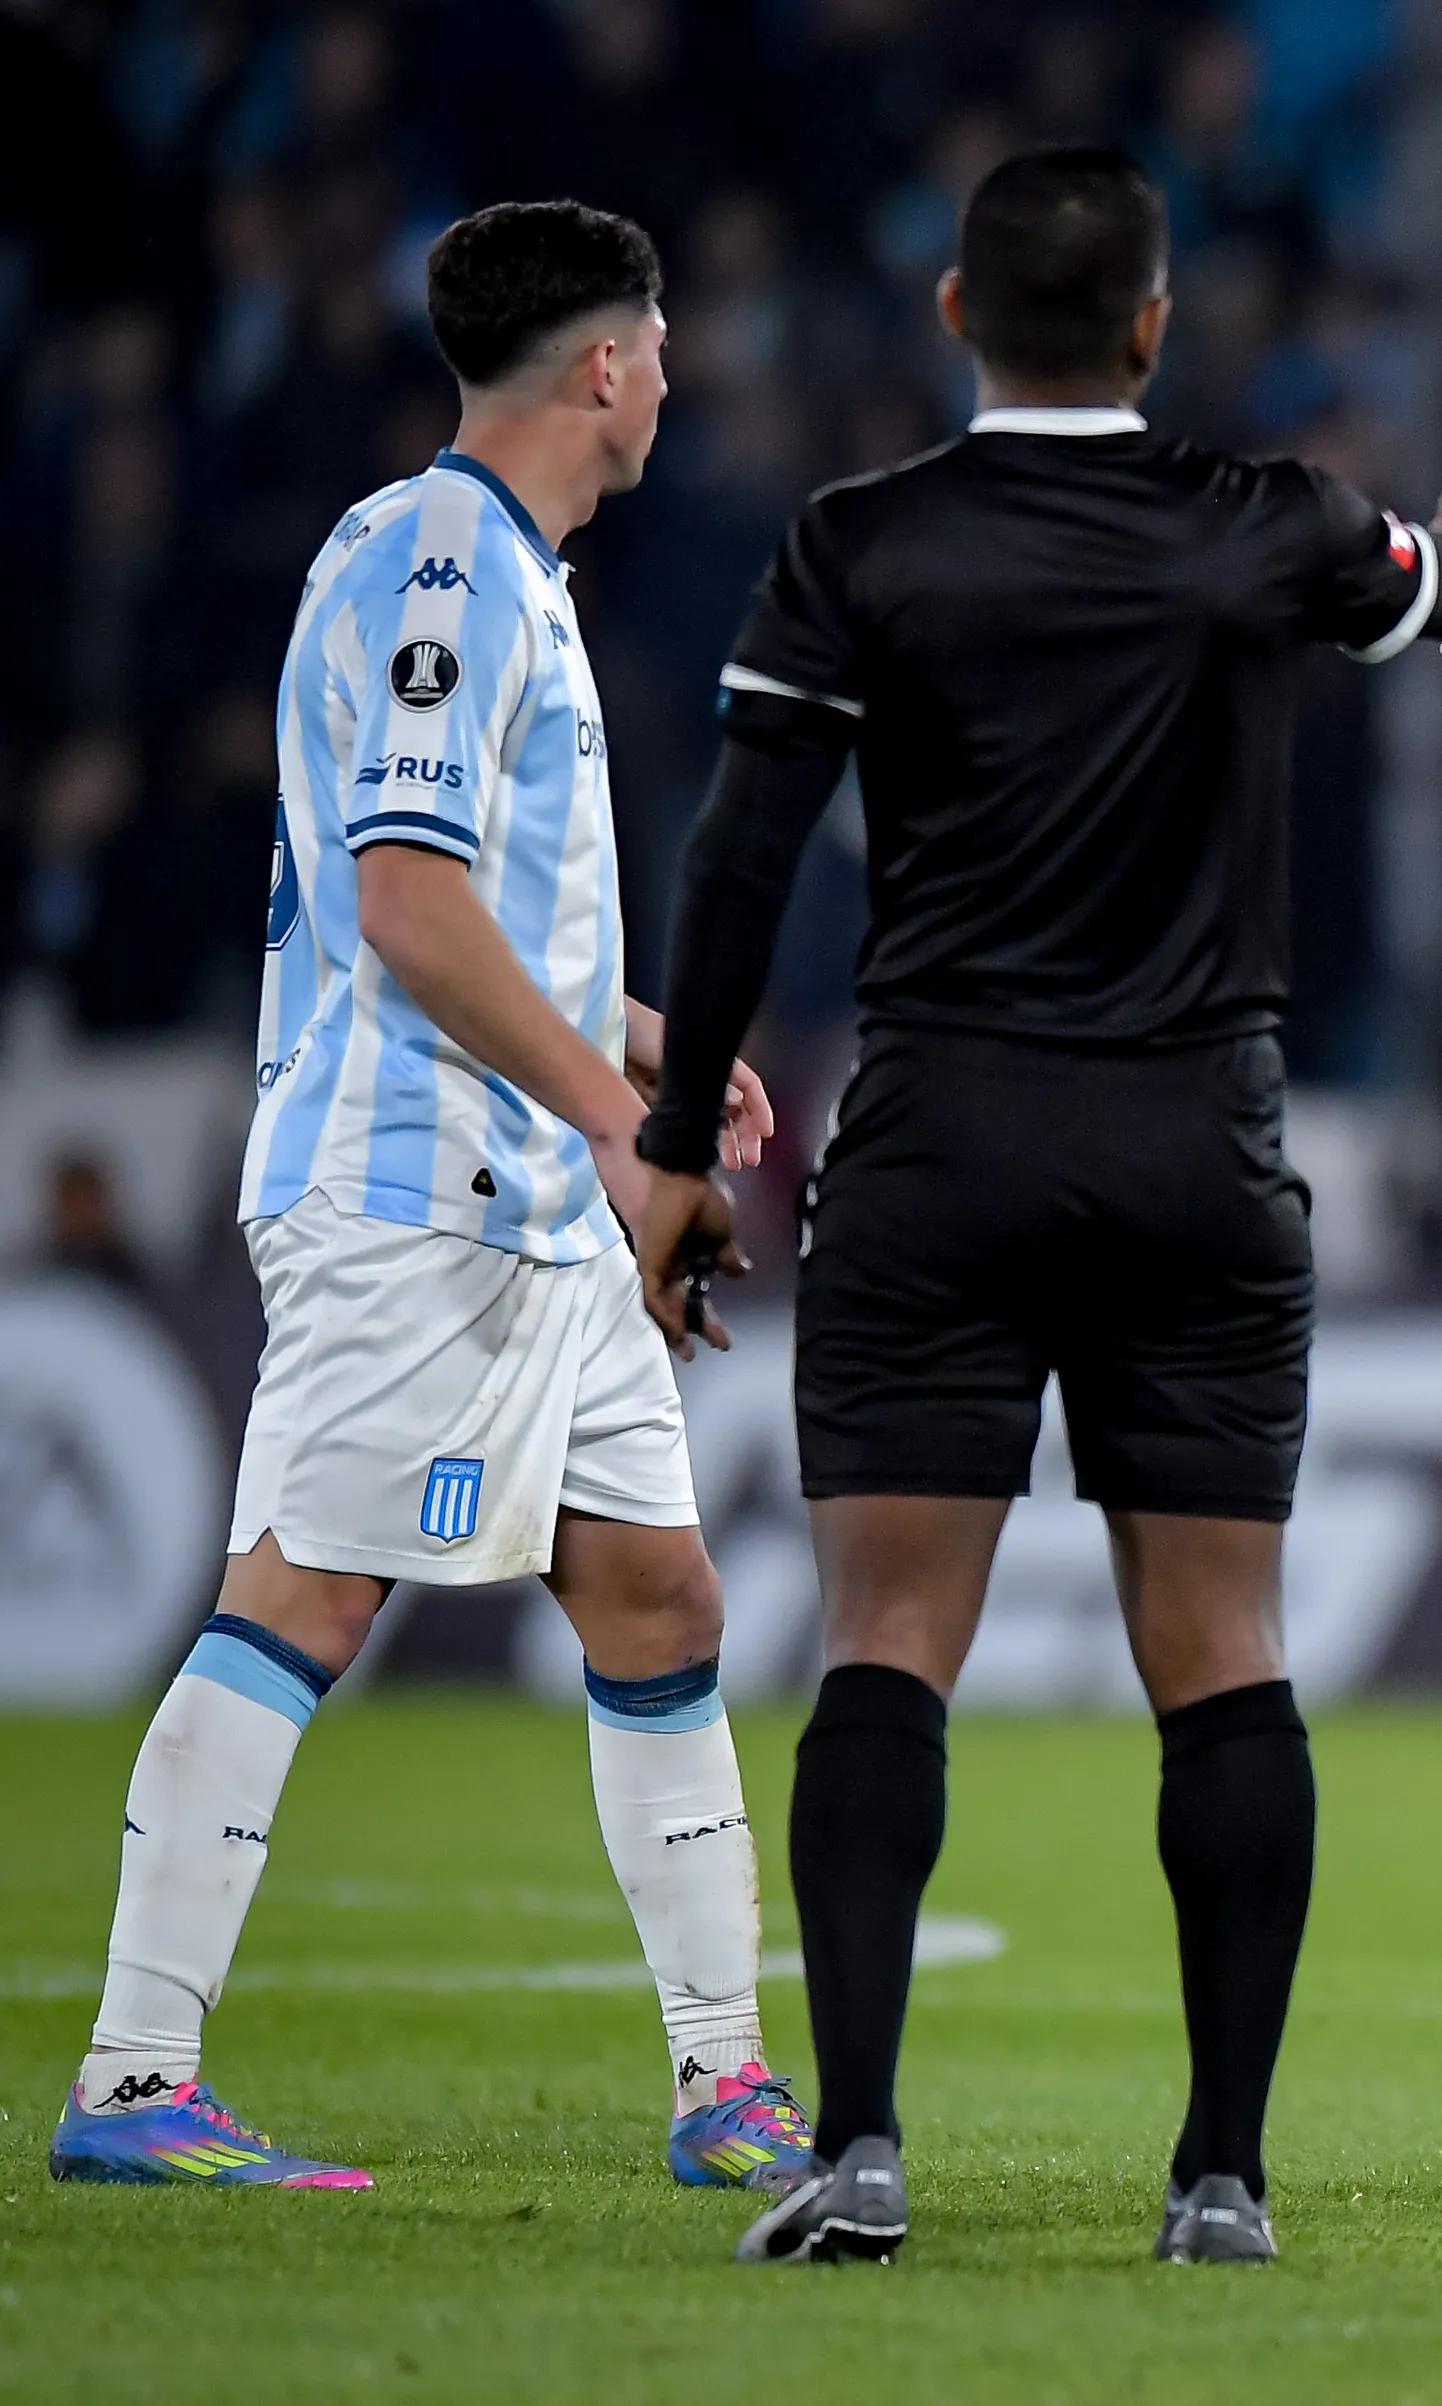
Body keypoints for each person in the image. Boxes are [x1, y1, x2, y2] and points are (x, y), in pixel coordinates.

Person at [627, 146, 1442, 2268]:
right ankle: (1219, 2177)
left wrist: (680, 1146)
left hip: (940, 1141)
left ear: (955, 314)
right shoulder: (1274, 528)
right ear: (1153, 327)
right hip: (1196, 1153)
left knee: (884, 1641)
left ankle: (853, 2146)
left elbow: (740, 860)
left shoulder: (859, 544)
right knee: (1224, 1652)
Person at [50, 201, 805, 2197]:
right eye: (656, 344)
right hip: (421, 1186)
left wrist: (632, 1039)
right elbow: (402, 905)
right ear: (606, 368)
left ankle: (727, 2088)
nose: (670, 376)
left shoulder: (497, 575)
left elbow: (469, 908)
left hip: (528, 1188)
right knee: (305, 1590)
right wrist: (626, 1129)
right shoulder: (448, 564)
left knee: (660, 1592)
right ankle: (135, 2081)